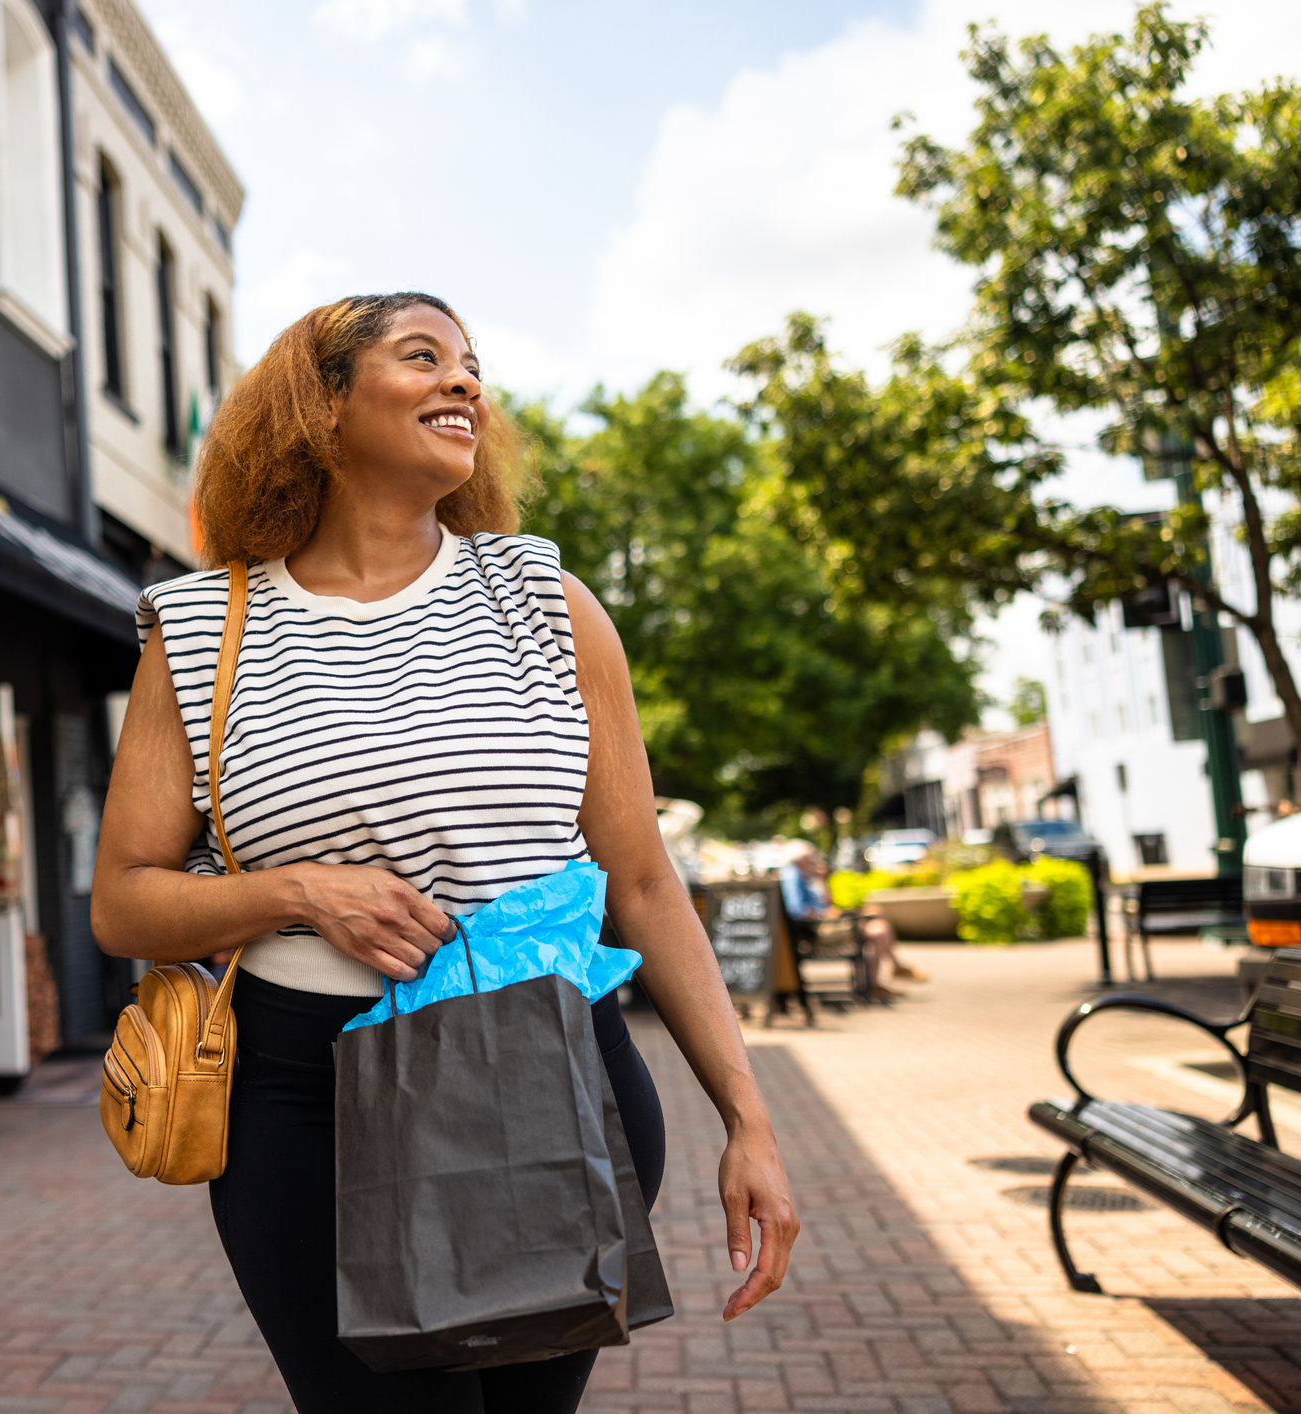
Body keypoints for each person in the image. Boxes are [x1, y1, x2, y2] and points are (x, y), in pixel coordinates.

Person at [92, 293, 800, 1413]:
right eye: (419, 357)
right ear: (319, 407)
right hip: (298, 1099)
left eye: (471, 364)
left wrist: (747, 1121)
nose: (462, 382)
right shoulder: (202, 631)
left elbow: (646, 881)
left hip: (545, 1077)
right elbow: (121, 904)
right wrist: (294, 892)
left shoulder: (548, 604)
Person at [778, 844, 920, 999]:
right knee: (879, 930)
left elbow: (827, 902)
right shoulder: (792, 875)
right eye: (811, 857)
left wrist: (821, 880)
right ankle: (876, 982)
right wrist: (824, 915)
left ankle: (892, 970)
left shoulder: (805, 875)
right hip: (817, 930)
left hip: (824, 924)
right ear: (800, 859)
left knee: (875, 911)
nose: (814, 861)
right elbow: (797, 911)